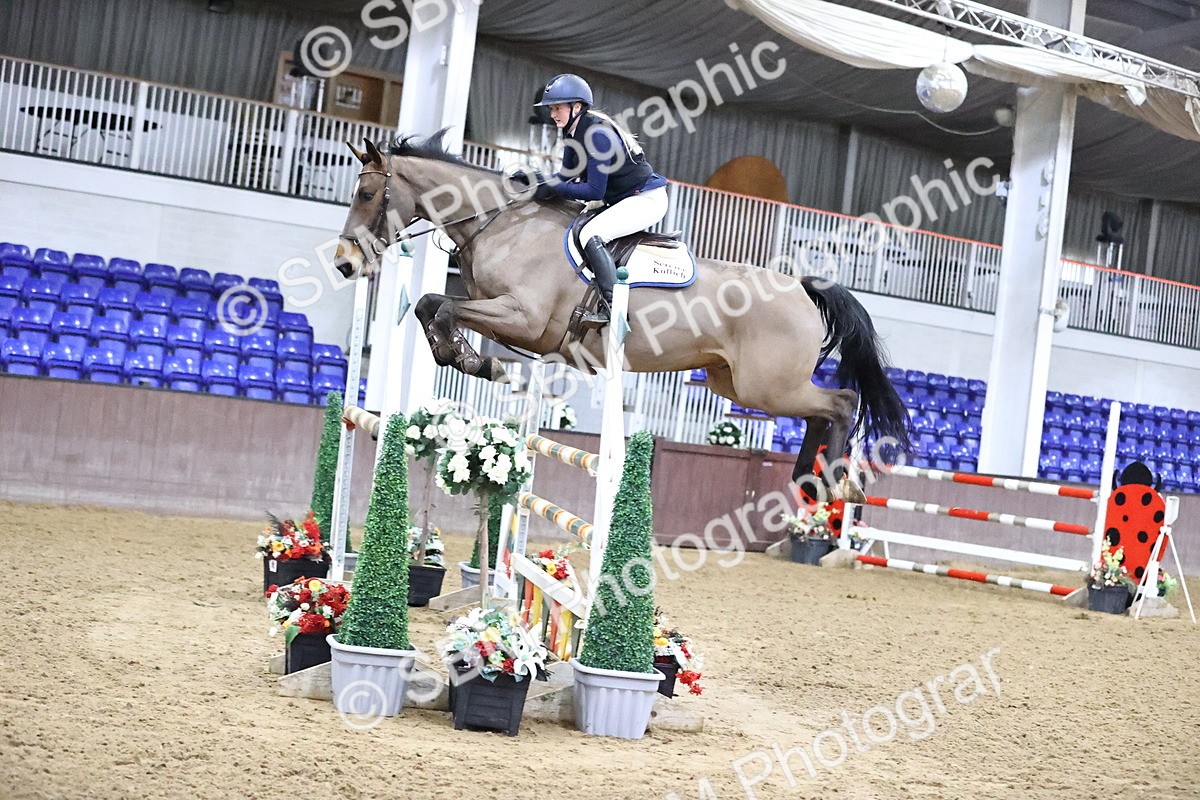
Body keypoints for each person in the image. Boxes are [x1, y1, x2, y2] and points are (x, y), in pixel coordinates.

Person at [533, 74, 668, 326]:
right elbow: (567, 176)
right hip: (622, 199)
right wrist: (537, 181)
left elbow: (594, 190)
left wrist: (552, 185)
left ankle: (613, 308)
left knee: (590, 234)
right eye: (551, 108)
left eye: (557, 108)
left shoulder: (597, 134)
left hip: (645, 200)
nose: (553, 114)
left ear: (576, 107)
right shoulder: (572, 133)